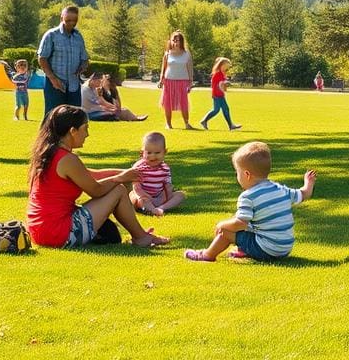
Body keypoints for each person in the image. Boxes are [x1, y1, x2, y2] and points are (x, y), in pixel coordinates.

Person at [26, 105, 170, 248]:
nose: (87, 134)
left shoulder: (52, 153)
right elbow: (96, 189)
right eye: (85, 128)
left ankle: (140, 235)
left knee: (118, 187)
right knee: (118, 190)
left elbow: (91, 175)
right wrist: (120, 178)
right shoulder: (67, 159)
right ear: (72, 131)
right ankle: (141, 238)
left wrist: (129, 172)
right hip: (58, 233)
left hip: (40, 231)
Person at [184, 141, 316, 262]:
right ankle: (245, 250)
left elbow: (240, 224)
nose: (237, 176)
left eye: (237, 172)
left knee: (225, 233)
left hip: (267, 249)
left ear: (247, 175)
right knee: (250, 224)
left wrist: (221, 224)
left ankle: (207, 255)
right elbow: (304, 194)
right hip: (284, 248)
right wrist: (308, 183)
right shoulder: (280, 189)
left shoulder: (248, 196)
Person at [38, 5, 89, 119]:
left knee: (74, 120)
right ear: (61, 18)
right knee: (52, 120)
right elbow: (42, 59)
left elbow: (85, 59)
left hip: (74, 86)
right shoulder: (51, 35)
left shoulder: (78, 37)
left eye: (74, 20)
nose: (71, 23)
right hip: (55, 85)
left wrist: (83, 66)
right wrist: (53, 79)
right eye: (68, 20)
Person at [130, 131, 185, 215]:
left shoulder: (165, 168)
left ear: (164, 152)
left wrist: (162, 198)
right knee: (134, 197)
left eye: (157, 153)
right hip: (143, 196)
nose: (153, 156)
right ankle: (150, 209)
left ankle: (161, 208)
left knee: (180, 195)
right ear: (142, 152)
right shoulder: (139, 167)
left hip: (159, 197)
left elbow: (167, 186)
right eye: (149, 153)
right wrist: (147, 197)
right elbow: (136, 187)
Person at [158, 30, 195, 129]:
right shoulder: (167, 54)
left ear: (181, 42)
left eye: (178, 40)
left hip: (183, 81)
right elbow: (164, 67)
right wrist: (161, 79)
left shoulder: (186, 54)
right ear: (171, 41)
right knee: (167, 103)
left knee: (184, 103)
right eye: (174, 40)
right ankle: (168, 124)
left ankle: (187, 124)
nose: (176, 43)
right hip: (169, 81)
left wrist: (191, 82)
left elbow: (190, 68)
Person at [81, 73, 147, 122]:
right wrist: (112, 108)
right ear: (93, 80)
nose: (100, 84)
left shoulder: (93, 88)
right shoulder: (86, 90)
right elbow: (100, 102)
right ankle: (135, 118)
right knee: (114, 113)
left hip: (96, 110)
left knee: (121, 110)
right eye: (99, 81)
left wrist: (113, 107)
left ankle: (134, 117)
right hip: (90, 113)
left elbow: (101, 101)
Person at [200, 56, 241, 130]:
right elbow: (217, 84)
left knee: (226, 109)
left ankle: (231, 125)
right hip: (216, 95)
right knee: (216, 110)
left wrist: (225, 84)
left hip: (220, 95)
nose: (227, 68)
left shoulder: (222, 74)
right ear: (221, 65)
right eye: (226, 66)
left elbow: (222, 85)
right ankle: (204, 121)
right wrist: (225, 83)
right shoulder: (217, 74)